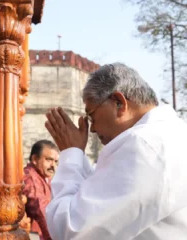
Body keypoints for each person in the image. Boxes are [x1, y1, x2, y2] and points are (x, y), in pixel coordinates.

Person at [44, 63, 187, 240]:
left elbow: (72, 229)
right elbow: (100, 193)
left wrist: (70, 154)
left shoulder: (145, 145)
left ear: (119, 103)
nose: (93, 128)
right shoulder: (170, 132)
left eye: (92, 116)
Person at [23, 140, 59, 240]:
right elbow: (41, 210)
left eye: (55, 161)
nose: (53, 165)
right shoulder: (31, 177)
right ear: (35, 159)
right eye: (49, 160)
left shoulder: (42, 176)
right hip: (33, 233)